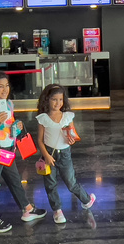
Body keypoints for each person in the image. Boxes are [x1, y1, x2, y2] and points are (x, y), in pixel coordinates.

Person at [0, 72, 47, 233]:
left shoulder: (9, 104)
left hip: (9, 147)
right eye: (0, 86)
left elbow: (9, 124)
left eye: (6, 86)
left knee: (15, 179)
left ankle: (27, 208)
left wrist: (16, 125)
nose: (4, 90)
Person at [35, 84, 96, 224]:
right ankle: (57, 211)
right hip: (49, 154)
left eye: (60, 100)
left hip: (65, 154)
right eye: (54, 99)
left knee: (71, 182)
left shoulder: (68, 116)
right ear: (47, 100)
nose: (58, 103)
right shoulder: (43, 118)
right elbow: (39, 140)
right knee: (50, 184)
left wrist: (71, 140)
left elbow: (72, 135)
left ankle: (87, 200)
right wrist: (46, 156)